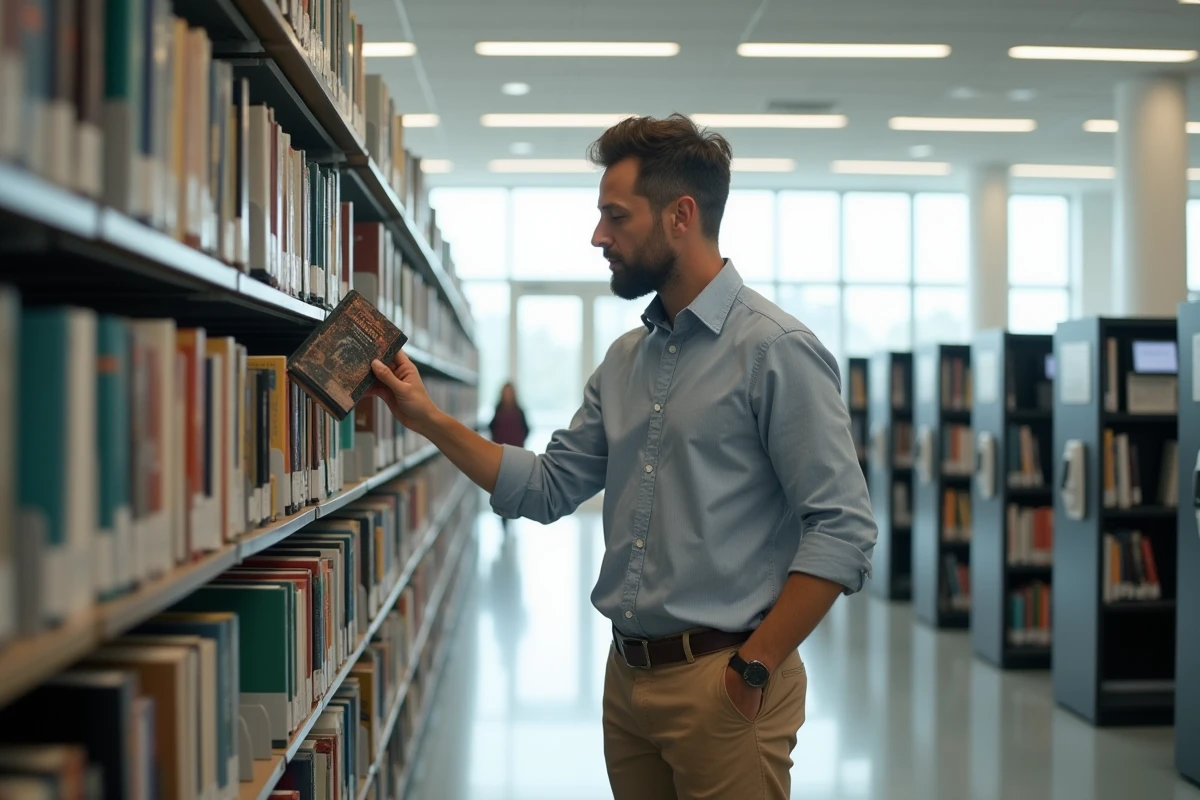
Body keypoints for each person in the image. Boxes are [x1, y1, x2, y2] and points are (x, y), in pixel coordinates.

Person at [365, 113, 877, 800]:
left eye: (615, 215)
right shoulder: (625, 361)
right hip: (628, 680)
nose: (598, 235)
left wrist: (753, 669)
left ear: (680, 216)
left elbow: (843, 527)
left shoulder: (775, 351)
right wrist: (426, 420)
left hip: (724, 681)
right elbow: (547, 488)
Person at [487, 382, 529, 530]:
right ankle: (503, 519)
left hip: (515, 457)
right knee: (501, 488)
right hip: (500, 456)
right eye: (505, 392)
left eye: (510, 392)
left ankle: (511, 515)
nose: (508, 395)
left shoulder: (520, 412)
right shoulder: (497, 410)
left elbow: (527, 429)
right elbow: (491, 427)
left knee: (513, 489)